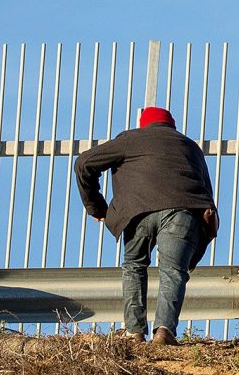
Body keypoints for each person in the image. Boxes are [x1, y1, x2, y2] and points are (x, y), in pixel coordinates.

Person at [74, 106, 218, 346]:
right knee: (174, 271)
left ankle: (134, 333)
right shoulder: (191, 147)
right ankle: (164, 332)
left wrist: (97, 208)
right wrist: (192, 254)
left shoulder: (131, 139)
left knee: (134, 267)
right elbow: (207, 201)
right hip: (183, 211)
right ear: (172, 126)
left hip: (138, 212)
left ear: (144, 125)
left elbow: (83, 163)